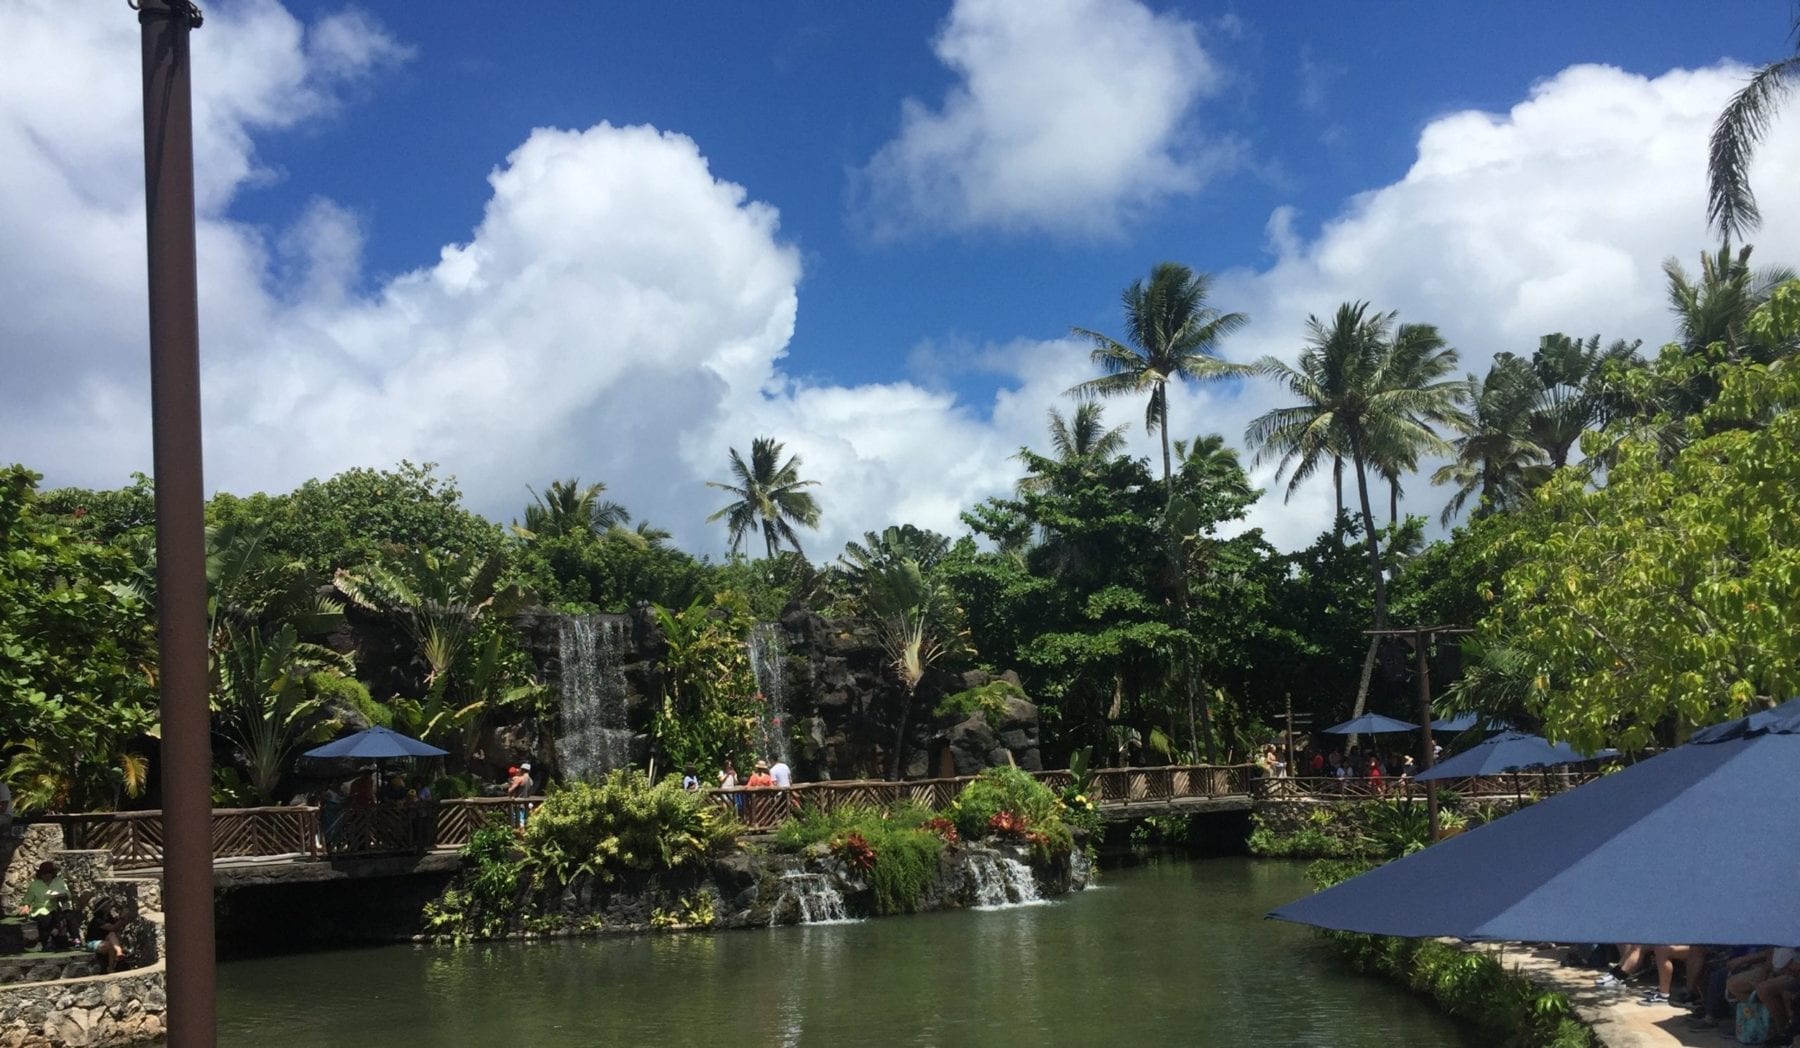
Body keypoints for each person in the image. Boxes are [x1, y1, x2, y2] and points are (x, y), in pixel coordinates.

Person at [18, 861, 73, 949]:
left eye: (49, 873)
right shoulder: (35, 885)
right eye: (44, 874)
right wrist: (26, 907)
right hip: (39, 910)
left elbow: (68, 895)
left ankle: (60, 941)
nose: (47, 876)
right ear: (41, 874)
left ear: (52, 874)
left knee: (63, 918)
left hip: (55, 908)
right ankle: (46, 942)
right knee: (45, 919)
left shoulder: (59, 882)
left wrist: (61, 895)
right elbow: (27, 900)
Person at [84, 900, 125, 973]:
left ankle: (119, 952)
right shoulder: (97, 920)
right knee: (110, 944)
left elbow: (115, 929)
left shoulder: (109, 917)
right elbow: (113, 927)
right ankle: (110, 968)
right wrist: (123, 918)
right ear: (103, 908)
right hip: (92, 942)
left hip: (104, 940)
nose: (110, 906)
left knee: (112, 934)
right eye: (108, 905)